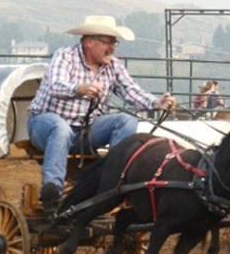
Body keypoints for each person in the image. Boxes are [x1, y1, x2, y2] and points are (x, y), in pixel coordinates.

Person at [27, 15, 178, 214]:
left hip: (86, 131)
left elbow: (132, 92)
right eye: (109, 42)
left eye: (115, 42)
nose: (113, 48)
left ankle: (113, 180)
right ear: (90, 42)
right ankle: (52, 190)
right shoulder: (65, 56)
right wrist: (79, 88)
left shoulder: (113, 66)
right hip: (45, 125)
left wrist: (157, 102)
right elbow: (56, 85)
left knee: (126, 121)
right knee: (60, 128)